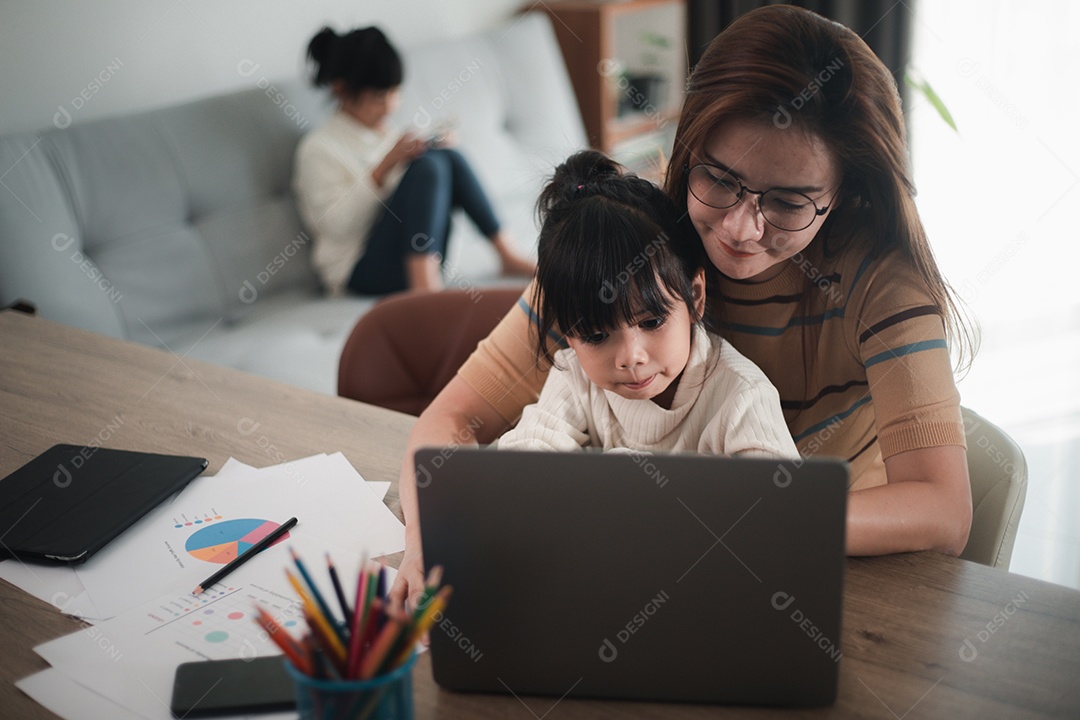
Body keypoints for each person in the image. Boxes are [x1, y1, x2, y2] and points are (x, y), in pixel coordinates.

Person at [391, 5, 976, 607]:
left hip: (830, 580)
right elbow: (449, 422)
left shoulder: (882, 281)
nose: (741, 229)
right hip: (633, 572)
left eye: (789, 203)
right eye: (719, 179)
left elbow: (942, 509)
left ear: (844, 193)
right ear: (689, 145)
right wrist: (426, 540)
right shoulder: (626, 238)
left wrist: (735, 522)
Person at [496, 150, 797, 458]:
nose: (631, 357)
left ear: (695, 297)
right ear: (570, 334)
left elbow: (779, 500)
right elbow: (528, 454)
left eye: (651, 322)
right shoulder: (575, 377)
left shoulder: (741, 396)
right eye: (596, 336)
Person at [292, 26, 534, 296]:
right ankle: (425, 291)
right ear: (341, 90)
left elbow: (410, 199)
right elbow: (337, 226)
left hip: (409, 256)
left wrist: (428, 152)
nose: (390, 106)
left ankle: (507, 255)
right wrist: (384, 167)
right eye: (378, 97)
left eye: (394, 93)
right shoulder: (318, 148)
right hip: (357, 271)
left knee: (445, 156)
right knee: (428, 167)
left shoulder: (388, 134)